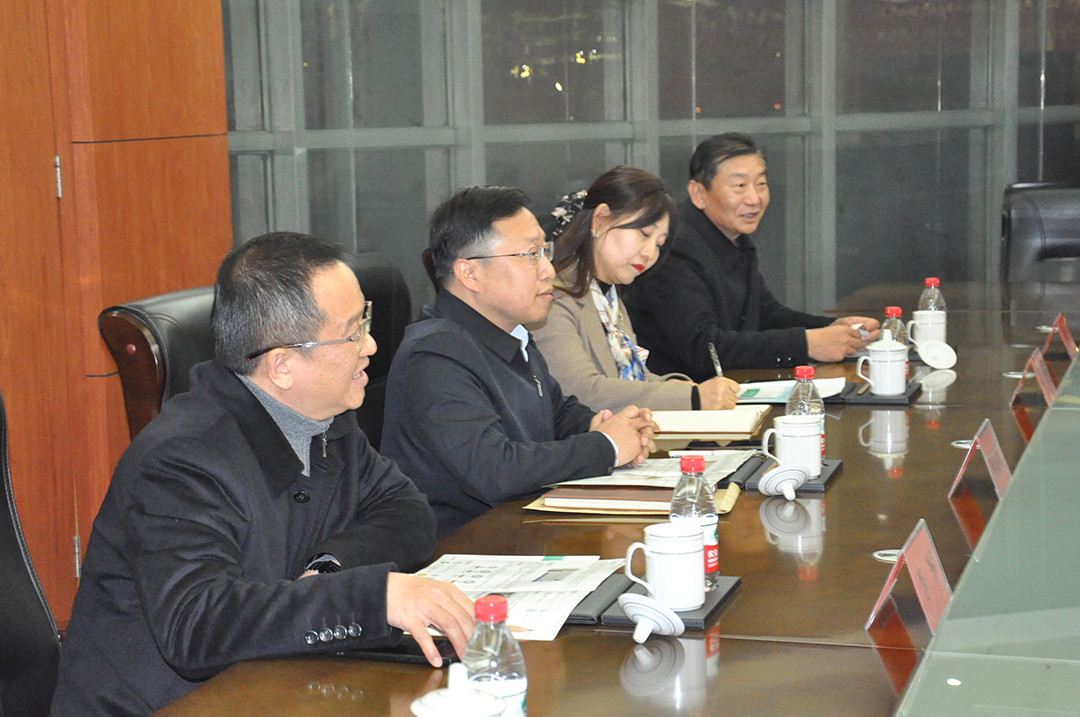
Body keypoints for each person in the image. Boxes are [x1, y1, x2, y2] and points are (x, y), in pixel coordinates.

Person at [51, 233, 475, 717]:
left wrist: (329, 568)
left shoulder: (324, 416)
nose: (371, 345)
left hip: (275, 687)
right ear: (282, 366)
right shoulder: (179, 460)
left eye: (366, 320)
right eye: (352, 332)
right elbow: (197, 625)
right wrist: (373, 599)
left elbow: (405, 510)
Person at [381, 186, 657, 538]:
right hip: (464, 550)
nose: (547, 270)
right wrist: (607, 446)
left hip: (523, 532)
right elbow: (496, 470)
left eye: (545, 252)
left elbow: (556, 414)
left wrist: (601, 425)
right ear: (469, 273)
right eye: (530, 254)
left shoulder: (510, 332)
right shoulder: (434, 355)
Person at [623, 133, 880, 380]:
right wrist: (806, 344)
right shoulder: (674, 247)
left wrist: (834, 329)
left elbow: (764, 315)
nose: (754, 199)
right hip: (680, 396)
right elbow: (704, 349)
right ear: (698, 194)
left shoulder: (732, 236)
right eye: (740, 186)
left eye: (761, 184)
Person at [529, 165, 740, 412]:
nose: (650, 253)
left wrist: (675, 385)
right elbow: (580, 391)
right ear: (600, 219)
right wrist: (690, 397)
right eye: (644, 234)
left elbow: (629, 379)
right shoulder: (553, 297)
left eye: (659, 244)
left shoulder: (608, 297)